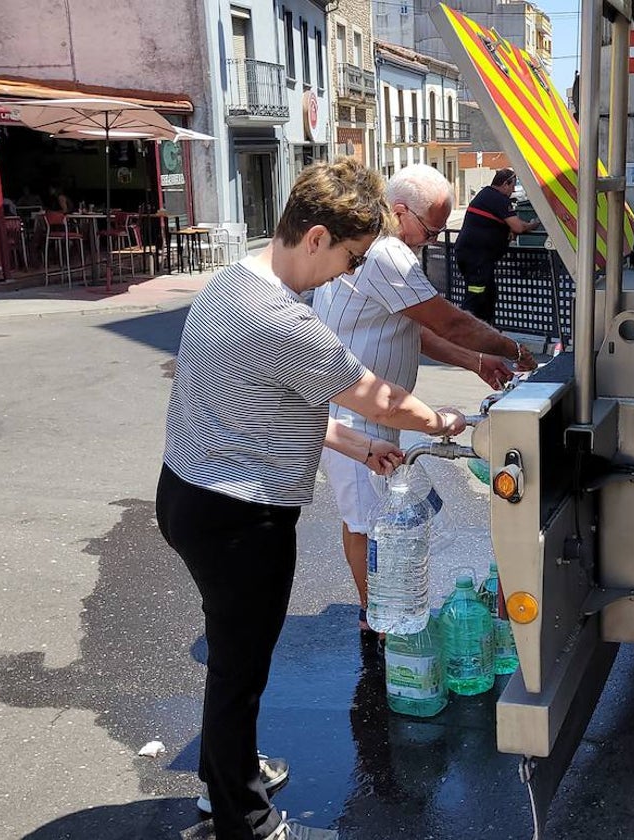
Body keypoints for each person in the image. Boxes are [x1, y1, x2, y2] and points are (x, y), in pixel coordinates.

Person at [155, 158, 467, 840]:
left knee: (236, 663)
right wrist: (446, 421)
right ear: (319, 237)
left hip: (189, 496)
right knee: (241, 670)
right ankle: (244, 817)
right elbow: (378, 397)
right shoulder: (282, 320)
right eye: (352, 258)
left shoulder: (232, 283)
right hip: (240, 516)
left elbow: (277, 401)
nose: (352, 275)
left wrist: (359, 448)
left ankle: (228, 774)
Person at [312, 163, 538, 636]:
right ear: (399, 212)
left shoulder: (375, 247)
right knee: (366, 522)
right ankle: (377, 617)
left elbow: (411, 328)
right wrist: (514, 350)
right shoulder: (386, 252)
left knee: (372, 518)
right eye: (431, 229)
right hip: (357, 412)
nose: (432, 241)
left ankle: (380, 607)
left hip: (369, 408)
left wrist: (476, 361)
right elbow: (447, 321)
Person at [453, 167, 541, 324]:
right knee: (476, 296)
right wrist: (533, 225)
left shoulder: (486, 195)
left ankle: (485, 330)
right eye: (512, 186)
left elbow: (501, 223)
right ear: (506, 184)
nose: (513, 190)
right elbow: (518, 227)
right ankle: (465, 331)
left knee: (488, 295)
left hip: (476, 255)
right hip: (477, 257)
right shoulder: (498, 199)